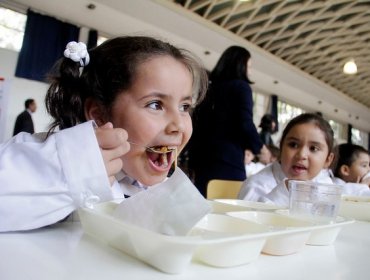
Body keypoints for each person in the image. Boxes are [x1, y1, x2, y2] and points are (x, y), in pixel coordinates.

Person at [0, 36, 208, 232]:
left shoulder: (154, 185)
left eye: (185, 107)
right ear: (98, 114)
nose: (178, 125)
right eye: (155, 104)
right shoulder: (51, 160)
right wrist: (70, 170)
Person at [238, 113, 370, 206]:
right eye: (293, 145)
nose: (302, 154)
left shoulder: (322, 182)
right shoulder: (256, 185)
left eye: (313, 148)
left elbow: (343, 195)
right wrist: (285, 192)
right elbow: (248, 220)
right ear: (281, 148)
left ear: (327, 160)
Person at [187, 45, 264, 197]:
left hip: (202, 161)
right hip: (229, 160)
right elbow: (245, 123)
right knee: (230, 208)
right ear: (241, 65)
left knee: (204, 206)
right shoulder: (241, 87)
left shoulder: (209, 88)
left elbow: (196, 123)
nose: (250, 71)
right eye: (249, 66)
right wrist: (260, 149)